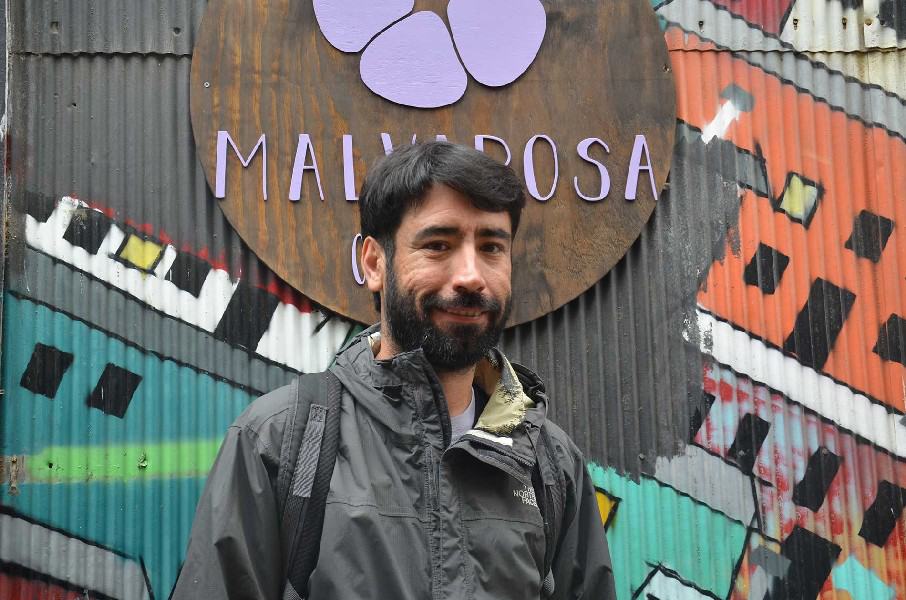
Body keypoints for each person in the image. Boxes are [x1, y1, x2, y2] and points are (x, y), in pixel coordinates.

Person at [173, 141, 615, 599]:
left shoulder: (550, 464)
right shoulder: (279, 443)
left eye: (491, 247)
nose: (470, 276)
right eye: (438, 245)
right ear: (374, 263)